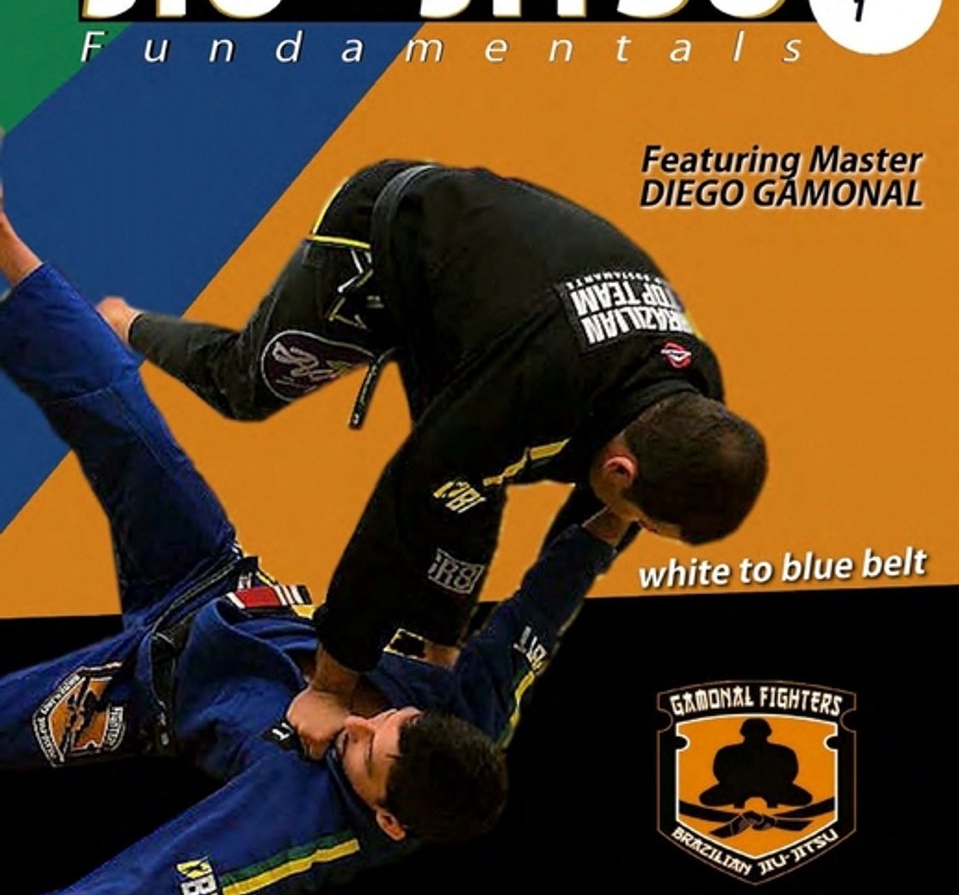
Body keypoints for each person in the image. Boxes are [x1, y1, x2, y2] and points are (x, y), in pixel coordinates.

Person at [0, 197, 630, 895]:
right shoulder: (471, 714)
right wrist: (621, 512)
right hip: (217, 577)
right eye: (388, 722)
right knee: (127, 425)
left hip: (141, 687)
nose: (357, 726)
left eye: (364, 754)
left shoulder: (299, 828)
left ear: (386, 820)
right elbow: (543, 606)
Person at [98, 160, 767, 754]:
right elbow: (402, 515)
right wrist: (331, 688)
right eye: (643, 520)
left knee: (475, 480)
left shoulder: (689, 391)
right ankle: (122, 322)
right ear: (623, 469)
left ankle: (435, 652)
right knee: (247, 388)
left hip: (492, 295)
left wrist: (448, 668)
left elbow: (571, 535)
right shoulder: (530, 390)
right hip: (384, 232)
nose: (628, 527)